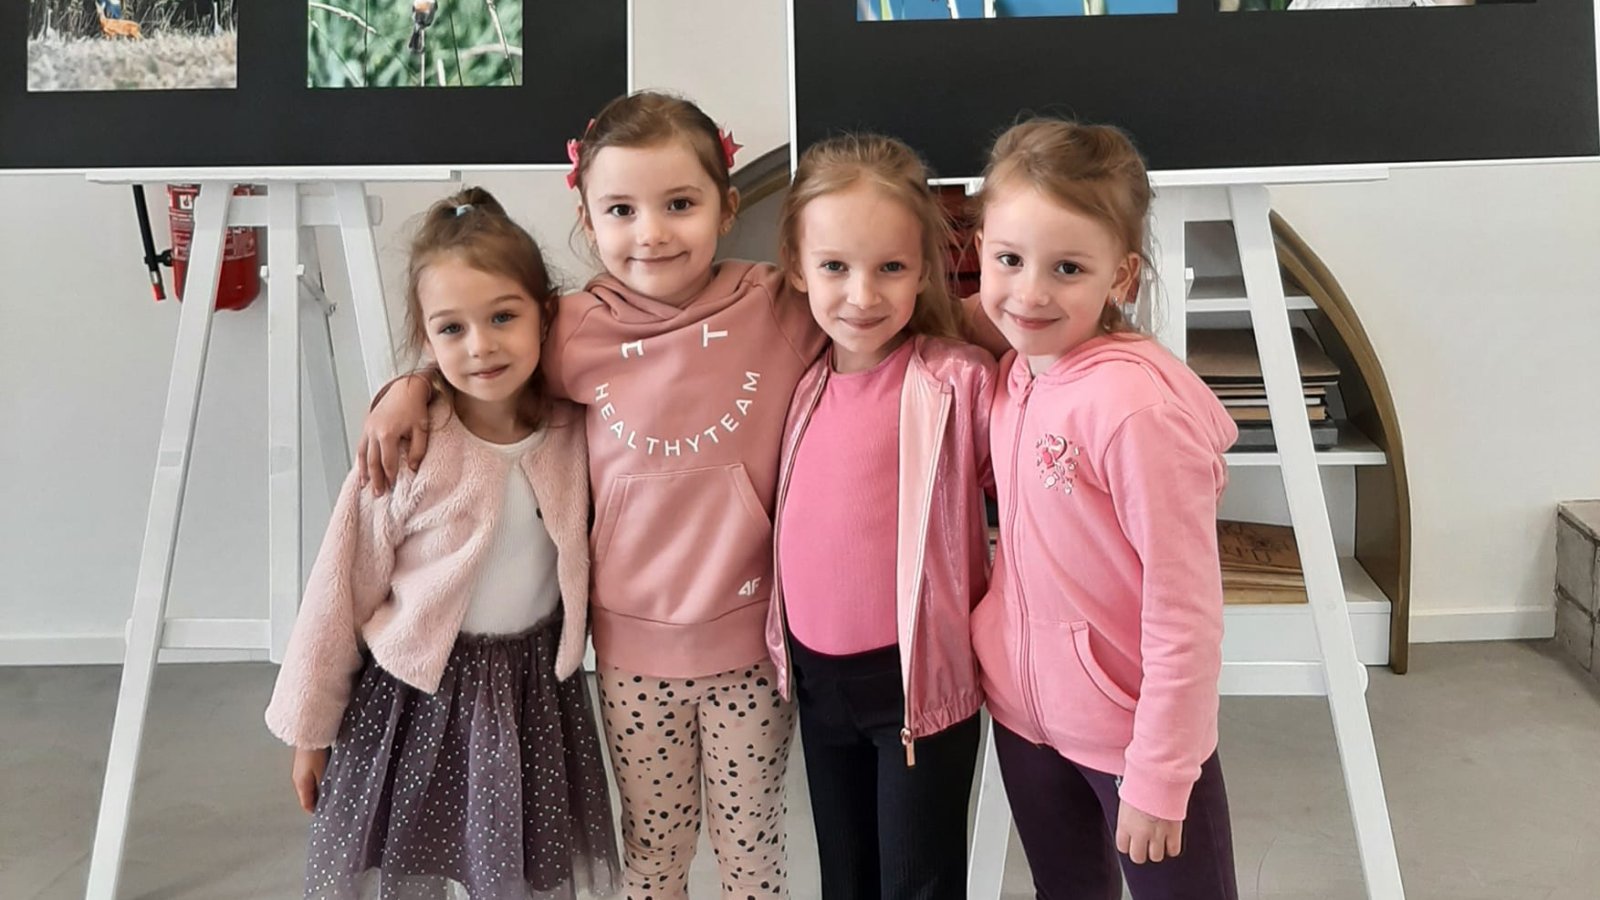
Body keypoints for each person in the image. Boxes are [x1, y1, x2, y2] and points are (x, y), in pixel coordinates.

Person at [357, 92, 828, 900]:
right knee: (653, 854)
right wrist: (413, 384)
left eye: (679, 204)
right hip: (631, 655)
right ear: (587, 219)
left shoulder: (777, 305)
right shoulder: (573, 329)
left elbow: (875, 315)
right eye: (621, 210)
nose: (651, 233)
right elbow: (483, 354)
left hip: (753, 647)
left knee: (753, 856)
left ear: (727, 207)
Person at [264, 187, 621, 900]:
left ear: (545, 314)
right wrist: (311, 731)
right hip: (416, 698)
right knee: (413, 871)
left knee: (511, 872)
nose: (481, 345)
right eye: (452, 328)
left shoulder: (576, 426)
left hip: (531, 696)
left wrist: (415, 381)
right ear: (426, 338)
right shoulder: (408, 447)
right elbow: (341, 588)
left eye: (503, 317)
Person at [969, 118, 1242, 900]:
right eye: (1009, 259)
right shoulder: (1020, 372)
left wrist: (1161, 771)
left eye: (1067, 268)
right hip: (1028, 725)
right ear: (982, 249)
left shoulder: (1136, 412)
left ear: (1121, 277)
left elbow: (1185, 608)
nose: (1030, 293)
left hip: (1133, 742)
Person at [764, 133, 995, 899]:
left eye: (890, 268)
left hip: (917, 686)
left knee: (917, 882)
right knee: (847, 878)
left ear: (924, 268)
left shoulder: (956, 379)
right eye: (835, 267)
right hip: (817, 679)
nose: (862, 296)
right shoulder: (800, 385)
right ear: (798, 266)